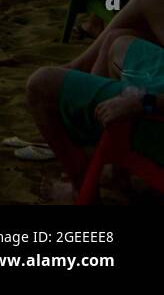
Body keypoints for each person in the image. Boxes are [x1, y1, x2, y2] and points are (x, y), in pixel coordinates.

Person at [28, 29, 164, 200]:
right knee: (116, 41)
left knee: (40, 85)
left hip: (157, 109)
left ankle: (83, 189)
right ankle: (114, 170)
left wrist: (145, 102)